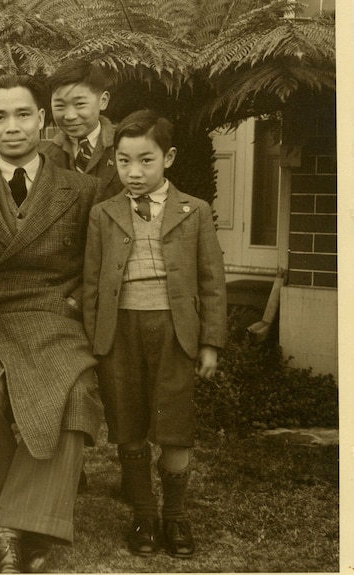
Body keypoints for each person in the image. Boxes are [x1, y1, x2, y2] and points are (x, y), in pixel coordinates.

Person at [0, 74, 104, 573]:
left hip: (55, 315)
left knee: (73, 395)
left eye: (23, 115)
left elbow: (95, 266)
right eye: (0, 117)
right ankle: (2, 520)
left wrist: (73, 304)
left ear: (43, 120)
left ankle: (14, 526)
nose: (13, 127)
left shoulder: (83, 189)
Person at [82, 110, 227, 559]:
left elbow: (212, 282)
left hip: (174, 330)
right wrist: (93, 341)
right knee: (127, 421)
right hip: (118, 331)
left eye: (146, 160)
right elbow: (91, 284)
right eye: (124, 161)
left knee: (174, 425)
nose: (134, 172)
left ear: (170, 158)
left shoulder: (195, 211)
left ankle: (175, 516)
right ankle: (143, 513)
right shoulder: (104, 214)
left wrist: (209, 342)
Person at [41, 58, 122, 203]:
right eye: (60, 106)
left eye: (80, 104)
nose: (70, 116)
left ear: (103, 101)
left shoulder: (124, 146)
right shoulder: (47, 159)